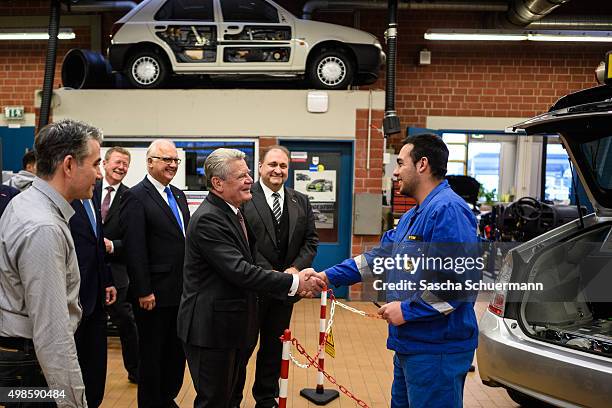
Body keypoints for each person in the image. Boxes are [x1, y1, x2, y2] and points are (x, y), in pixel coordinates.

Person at [311, 134, 479, 408]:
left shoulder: (448, 210)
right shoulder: (415, 215)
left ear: (422, 164)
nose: (396, 172)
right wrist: (328, 277)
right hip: (409, 345)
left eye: (401, 163)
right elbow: (378, 258)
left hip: (436, 350)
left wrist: (408, 310)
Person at [177, 148, 325, 408]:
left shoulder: (233, 211)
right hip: (210, 329)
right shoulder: (209, 219)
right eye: (242, 176)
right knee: (214, 400)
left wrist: (295, 273)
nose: (249, 180)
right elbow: (240, 270)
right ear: (218, 183)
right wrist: (294, 282)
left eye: (247, 174)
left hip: (229, 323)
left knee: (224, 395)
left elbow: (253, 254)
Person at [0, 118, 104, 408]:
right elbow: (52, 333)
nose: (99, 174)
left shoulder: (26, 203)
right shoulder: (43, 227)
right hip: (31, 369)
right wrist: (73, 402)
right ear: (69, 165)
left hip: (22, 362)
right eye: (95, 164)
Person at [232, 145, 319, 408]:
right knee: (242, 349)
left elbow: (311, 241)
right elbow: (244, 243)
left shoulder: (300, 200)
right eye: (272, 164)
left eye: (283, 166)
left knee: (273, 349)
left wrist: (294, 270)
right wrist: (268, 272)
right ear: (260, 167)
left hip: (285, 294)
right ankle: (232, 399)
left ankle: (265, 399)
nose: (277, 170)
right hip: (252, 290)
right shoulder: (245, 198)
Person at [120, 139, 190, 408]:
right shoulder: (135, 197)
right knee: (152, 356)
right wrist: (143, 290)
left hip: (180, 292)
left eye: (175, 160)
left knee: (175, 354)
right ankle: (151, 402)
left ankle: (167, 398)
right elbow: (135, 249)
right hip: (154, 295)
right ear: (150, 162)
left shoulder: (179, 195)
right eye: (166, 160)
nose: (172, 165)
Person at [69, 193, 117, 407]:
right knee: (74, 366)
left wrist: (107, 280)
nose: (99, 173)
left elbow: (97, 242)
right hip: (72, 298)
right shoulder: (64, 200)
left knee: (95, 367)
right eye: (96, 164)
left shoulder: (92, 197)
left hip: (97, 297)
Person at [97, 146, 139, 383]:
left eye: (125, 164)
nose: (121, 167)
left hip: (118, 272)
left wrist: (112, 245)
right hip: (89, 272)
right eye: (117, 162)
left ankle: (135, 371)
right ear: (104, 163)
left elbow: (134, 239)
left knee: (127, 325)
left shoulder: (130, 197)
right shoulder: (87, 191)